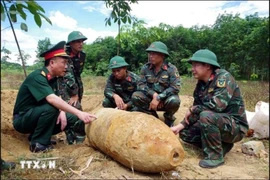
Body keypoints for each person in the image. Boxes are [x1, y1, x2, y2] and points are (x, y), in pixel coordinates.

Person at [12, 41, 97, 153]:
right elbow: (52, 99)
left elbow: (58, 99)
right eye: (64, 63)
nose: (66, 67)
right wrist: (80, 113)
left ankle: (39, 136)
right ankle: (38, 144)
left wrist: (62, 112)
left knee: (70, 117)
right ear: (52, 63)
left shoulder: (54, 78)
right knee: (52, 109)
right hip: (22, 120)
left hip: (36, 115)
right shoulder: (38, 77)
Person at [171, 49, 249, 168]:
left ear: (207, 66)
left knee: (206, 116)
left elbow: (217, 106)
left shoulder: (223, 78)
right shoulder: (201, 84)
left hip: (235, 127)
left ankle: (215, 157)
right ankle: (222, 145)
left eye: (196, 65)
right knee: (186, 133)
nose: (192, 69)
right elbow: (197, 110)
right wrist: (179, 126)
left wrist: (193, 109)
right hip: (217, 121)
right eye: (192, 65)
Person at [131, 41, 181, 127]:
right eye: (150, 53)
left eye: (154, 54)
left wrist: (159, 97)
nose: (151, 56)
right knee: (136, 96)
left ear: (162, 55)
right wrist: (153, 94)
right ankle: (152, 116)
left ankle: (169, 118)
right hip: (150, 100)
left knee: (175, 101)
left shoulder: (171, 69)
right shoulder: (145, 68)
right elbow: (140, 84)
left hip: (165, 100)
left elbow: (175, 87)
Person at [58, 31, 87, 110]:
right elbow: (67, 74)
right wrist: (74, 93)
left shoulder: (82, 55)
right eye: (78, 41)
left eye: (82, 41)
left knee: (78, 102)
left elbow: (79, 72)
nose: (81, 44)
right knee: (73, 106)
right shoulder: (64, 55)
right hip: (64, 82)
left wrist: (77, 93)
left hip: (77, 81)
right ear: (70, 43)